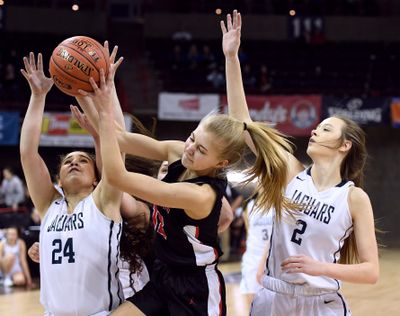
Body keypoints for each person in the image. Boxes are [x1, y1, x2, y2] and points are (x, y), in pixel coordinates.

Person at [77, 48, 295, 316]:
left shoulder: (201, 195)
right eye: (193, 138)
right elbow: (120, 138)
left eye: (201, 150)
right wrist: (85, 92)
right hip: (162, 275)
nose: (190, 149)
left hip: (195, 289)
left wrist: (103, 109)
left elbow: (116, 175)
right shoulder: (180, 152)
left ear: (221, 164)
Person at [221, 10, 379, 316]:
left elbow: (371, 271)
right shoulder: (291, 172)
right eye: (316, 127)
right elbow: (242, 124)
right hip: (273, 297)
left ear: (344, 145)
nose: (314, 130)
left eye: (325, 129)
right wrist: (231, 58)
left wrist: (319, 267)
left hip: (321, 302)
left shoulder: (354, 198)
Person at [19, 45, 126, 315]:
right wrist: (38, 96)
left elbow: (119, 145)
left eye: (83, 160)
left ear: (96, 179)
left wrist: (106, 95)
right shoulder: (48, 206)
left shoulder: (103, 201)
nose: (74, 162)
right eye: (68, 161)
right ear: (59, 180)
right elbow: (28, 153)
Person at [239, 196, 273, 306]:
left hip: (273, 257)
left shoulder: (280, 203)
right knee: (253, 305)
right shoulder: (248, 205)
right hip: (253, 259)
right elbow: (249, 231)